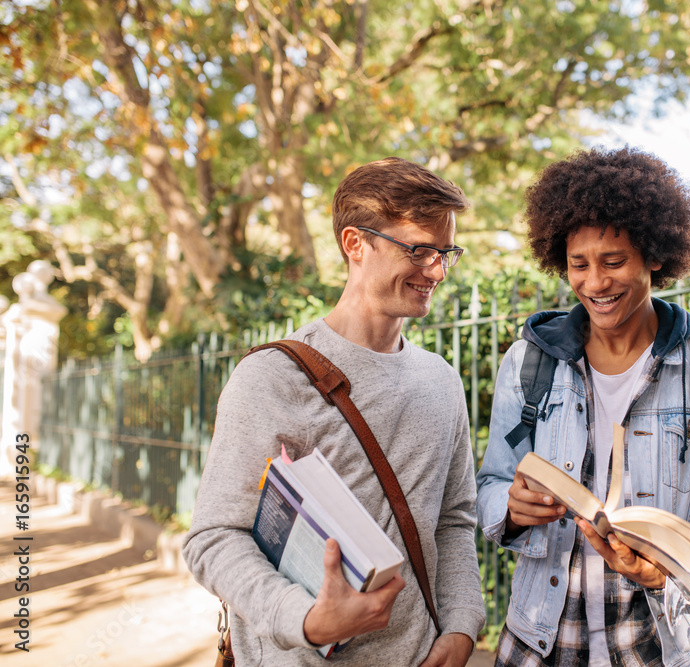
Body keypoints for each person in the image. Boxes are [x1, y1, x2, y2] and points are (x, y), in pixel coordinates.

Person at [184, 157, 486, 666]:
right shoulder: (272, 377)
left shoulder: (442, 380)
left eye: (445, 252)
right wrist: (304, 619)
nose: (436, 270)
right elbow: (214, 538)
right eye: (418, 250)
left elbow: (454, 521)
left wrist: (461, 625)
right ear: (355, 244)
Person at [476, 146, 690, 666]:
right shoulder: (527, 363)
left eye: (614, 262)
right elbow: (492, 484)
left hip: (659, 646)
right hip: (537, 643)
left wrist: (675, 566)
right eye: (578, 265)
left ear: (655, 256)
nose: (594, 283)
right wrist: (511, 510)